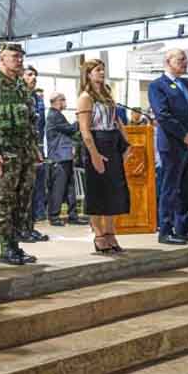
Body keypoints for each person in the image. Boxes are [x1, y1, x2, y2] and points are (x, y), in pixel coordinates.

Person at [0, 43, 41, 265]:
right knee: (4, 201)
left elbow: (31, 121)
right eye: (14, 56)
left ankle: (15, 246)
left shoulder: (22, 87)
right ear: (2, 59)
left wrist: (35, 149)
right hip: (5, 155)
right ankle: (5, 249)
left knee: (21, 202)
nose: (19, 60)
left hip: (24, 154)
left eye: (21, 57)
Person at [148, 49, 188, 245]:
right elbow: (162, 115)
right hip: (172, 144)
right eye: (181, 59)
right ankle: (165, 230)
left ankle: (184, 228)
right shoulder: (158, 86)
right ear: (168, 61)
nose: (185, 62)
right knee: (170, 188)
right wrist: (185, 135)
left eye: (186, 59)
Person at [77, 59, 130, 253]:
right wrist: (94, 155)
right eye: (97, 70)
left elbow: (117, 121)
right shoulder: (85, 97)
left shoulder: (107, 94)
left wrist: (126, 143)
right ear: (88, 74)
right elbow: (84, 129)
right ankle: (99, 235)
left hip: (112, 143)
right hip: (97, 143)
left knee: (114, 192)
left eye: (103, 70)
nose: (101, 73)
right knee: (97, 192)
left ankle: (110, 232)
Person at [45, 92, 87, 226]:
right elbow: (70, 129)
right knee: (59, 188)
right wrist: (81, 118)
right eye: (64, 100)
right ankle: (54, 216)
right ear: (57, 101)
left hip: (65, 156)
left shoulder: (57, 115)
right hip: (59, 157)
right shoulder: (54, 115)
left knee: (70, 188)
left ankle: (73, 216)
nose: (65, 102)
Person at [22, 66, 49, 241]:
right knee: (22, 192)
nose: (33, 78)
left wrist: (39, 149)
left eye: (35, 75)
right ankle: (21, 229)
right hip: (19, 149)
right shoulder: (17, 95)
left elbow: (40, 127)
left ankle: (29, 226)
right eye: (29, 74)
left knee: (33, 189)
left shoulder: (36, 98)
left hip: (34, 147)